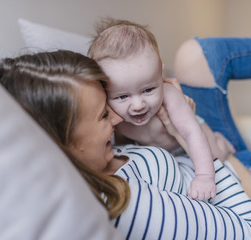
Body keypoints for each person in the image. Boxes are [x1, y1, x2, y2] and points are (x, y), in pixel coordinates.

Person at [0, 2, 251, 238]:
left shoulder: (105, 151)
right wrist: (198, 151)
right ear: (64, 140)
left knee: (197, 54)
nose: (117, 119)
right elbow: (247, 230)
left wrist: (178, 129)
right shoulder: (126, 203)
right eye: (106, 112)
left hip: (226, 157)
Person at [88, 18, 235, 200]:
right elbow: (124, 144)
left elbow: (191, 133)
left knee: (218, 157)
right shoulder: (114, 116)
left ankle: (222, 141)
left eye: (148, 90)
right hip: (168, 152)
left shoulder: (169, 96)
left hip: (192, 137)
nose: (138, 105)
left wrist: (204, 177)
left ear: (161, 75)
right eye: (123, 96)